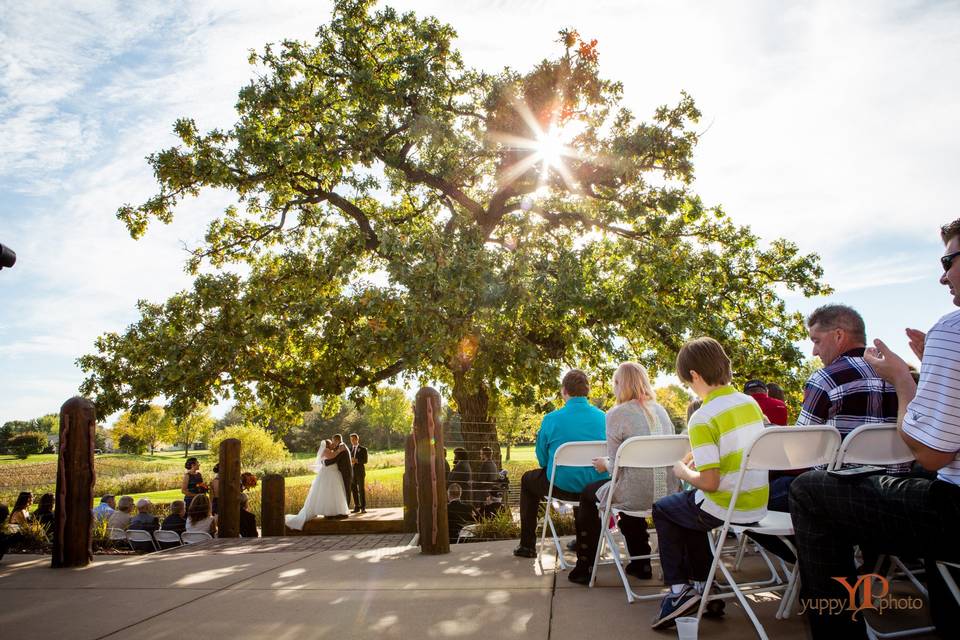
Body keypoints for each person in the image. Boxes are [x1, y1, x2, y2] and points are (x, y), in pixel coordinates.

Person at [791, 218, 960, 638]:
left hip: (949, 511)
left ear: (839, 335)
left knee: (809, 488)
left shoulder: (950, 330)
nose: (943, 276)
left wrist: (906, 380)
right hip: (901, 479)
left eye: (948, 260)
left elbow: (935, 454)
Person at [650, 337, 767, 629]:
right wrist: (697, 457)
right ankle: (704, 586)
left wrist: (683, 472)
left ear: (694, 375)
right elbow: (735, 448)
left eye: (687, 383)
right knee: (685, 512)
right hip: (756, 501)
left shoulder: (702, 417)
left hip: (726, 504)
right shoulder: (749, 403)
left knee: (664, 509)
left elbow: (711, 483)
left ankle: (679, 591)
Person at [568, 362, 676, 585]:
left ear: (619, 384)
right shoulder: (662, 411)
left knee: (590, 493)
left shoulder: (616, 414)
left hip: (635, 494)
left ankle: (585, 565)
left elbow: (617, 465)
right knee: (629, 486)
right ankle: (640, 560)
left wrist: (604, 464)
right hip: (668, 493)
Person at [797, 304, 905, 474]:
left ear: (839, 335)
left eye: (816, 341)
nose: (814, 352)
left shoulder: (825, 380)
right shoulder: (902, 376)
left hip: (836, 488)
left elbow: (800, 448)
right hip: (897, 485)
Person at [513, 369, 607, 558]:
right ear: (587, 391)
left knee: (528, 480)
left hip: (561, 485)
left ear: (564, 391)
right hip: (595, 488)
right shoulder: (604, 417)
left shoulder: (551, 419)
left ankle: (527, 545)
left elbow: (543, 460)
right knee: (584, 479)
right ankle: (584, 541)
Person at [286, 439, 350, 529]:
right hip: (329, 475)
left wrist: (338, 450)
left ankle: (336, 512)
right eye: (331, 443)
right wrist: (340, 450)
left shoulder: (330, 450)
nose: (333, 445)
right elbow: (332, 457)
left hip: (333, 475)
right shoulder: (326, 451)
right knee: (329, 493)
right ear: (327, 445)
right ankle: (329, 513)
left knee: (335, 494)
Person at [321, 434, 352, 509]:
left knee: (346, 490)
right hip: (343, 472)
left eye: (333, 441)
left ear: (336, 440)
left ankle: (345, 509)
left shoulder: (342, 446)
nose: (332, 443)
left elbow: (335, 459)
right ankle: (343, 509)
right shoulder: (339, 447)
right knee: (344, 491)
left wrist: (325, 462)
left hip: (346, 472)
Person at [349, 433, 368, 513]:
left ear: (357, 439)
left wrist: (356, 460)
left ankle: (363, 507)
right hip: (352, 473)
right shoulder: (349, 450)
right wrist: (350, 462)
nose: (352, 441)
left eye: (354, 439)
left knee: (361, 490)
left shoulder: (363, 449)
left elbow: (365, 461)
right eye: (351, 440)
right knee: (354, 490)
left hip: (360, 472)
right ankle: (357, 507)